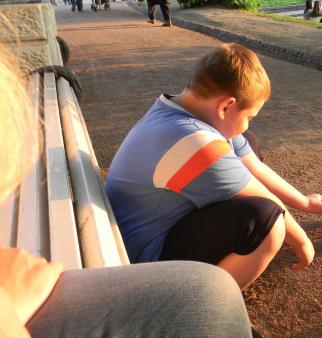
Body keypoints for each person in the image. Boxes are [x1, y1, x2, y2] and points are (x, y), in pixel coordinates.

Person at [0, 45, 253, 337]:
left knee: (213, 293)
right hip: (133, 248)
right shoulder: (191, 135)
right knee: (216, 294)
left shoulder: (178, 118)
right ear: (226, 106)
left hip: (52, 267)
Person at [106, 43, 322, 290]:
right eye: (250, 117)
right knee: (267, 223)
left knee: (248, 144)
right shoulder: (195, 144)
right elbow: (266, 201)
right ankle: (200, 305)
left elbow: (254, 168)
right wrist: (302, 242)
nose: (248, 124)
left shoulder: (181, 110)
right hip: (147, 263)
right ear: (226, 106)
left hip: (158, 227)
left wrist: (304, 203)